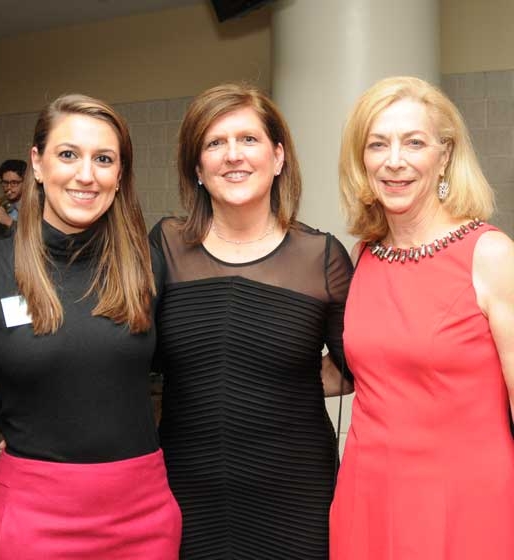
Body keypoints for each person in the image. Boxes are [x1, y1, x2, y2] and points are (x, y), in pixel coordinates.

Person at [0, 94, 181, 558]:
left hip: (143, 512)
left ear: (120, 175)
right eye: (68, 154)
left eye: (104, 159)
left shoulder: (148, 265)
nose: (86, 174)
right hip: (35, 513)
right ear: (37, 163)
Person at [149, 82, 353, 559]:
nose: (232, 155)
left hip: (296, 494)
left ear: (278, 157)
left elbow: (361, 362)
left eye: (248, 139)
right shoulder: (165, 245)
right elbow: (128, 348)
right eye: (214, 143)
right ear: (197, 168)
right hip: (186, 487)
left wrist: (286, 378)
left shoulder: (321, 257)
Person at [330, 76, 514, 559]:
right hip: (366, 495)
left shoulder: (491, 255)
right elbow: (369, 371)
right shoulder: (364, 255)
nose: (395, 161)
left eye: (414, 142)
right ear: (362, 160)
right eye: (378, 144)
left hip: (466, 503)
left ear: (444, 155)